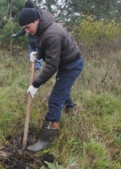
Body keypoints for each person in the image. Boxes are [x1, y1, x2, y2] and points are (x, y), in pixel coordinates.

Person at [18, 8, 84, 152]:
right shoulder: (40, 28)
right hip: (64, 62)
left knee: (55, 98)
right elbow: (45, 47)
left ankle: (46, 138)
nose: (27, 31)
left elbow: (52, 66)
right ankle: (71, 108)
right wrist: (38, 55)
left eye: (27, 27)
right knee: (62, 89)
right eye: (24, 29)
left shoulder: (52, 33)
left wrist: (36, 84)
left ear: (37, 21)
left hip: (71, 64)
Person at [11, 0, 43, 71]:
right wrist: (16, 35)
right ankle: (33, 71)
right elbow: (24, 29)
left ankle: (37, 74)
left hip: (38, 42)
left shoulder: (39, 16)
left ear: (33, 8)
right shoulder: (27, 17)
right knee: (32, 59)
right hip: (31, 43)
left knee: (38, 61)